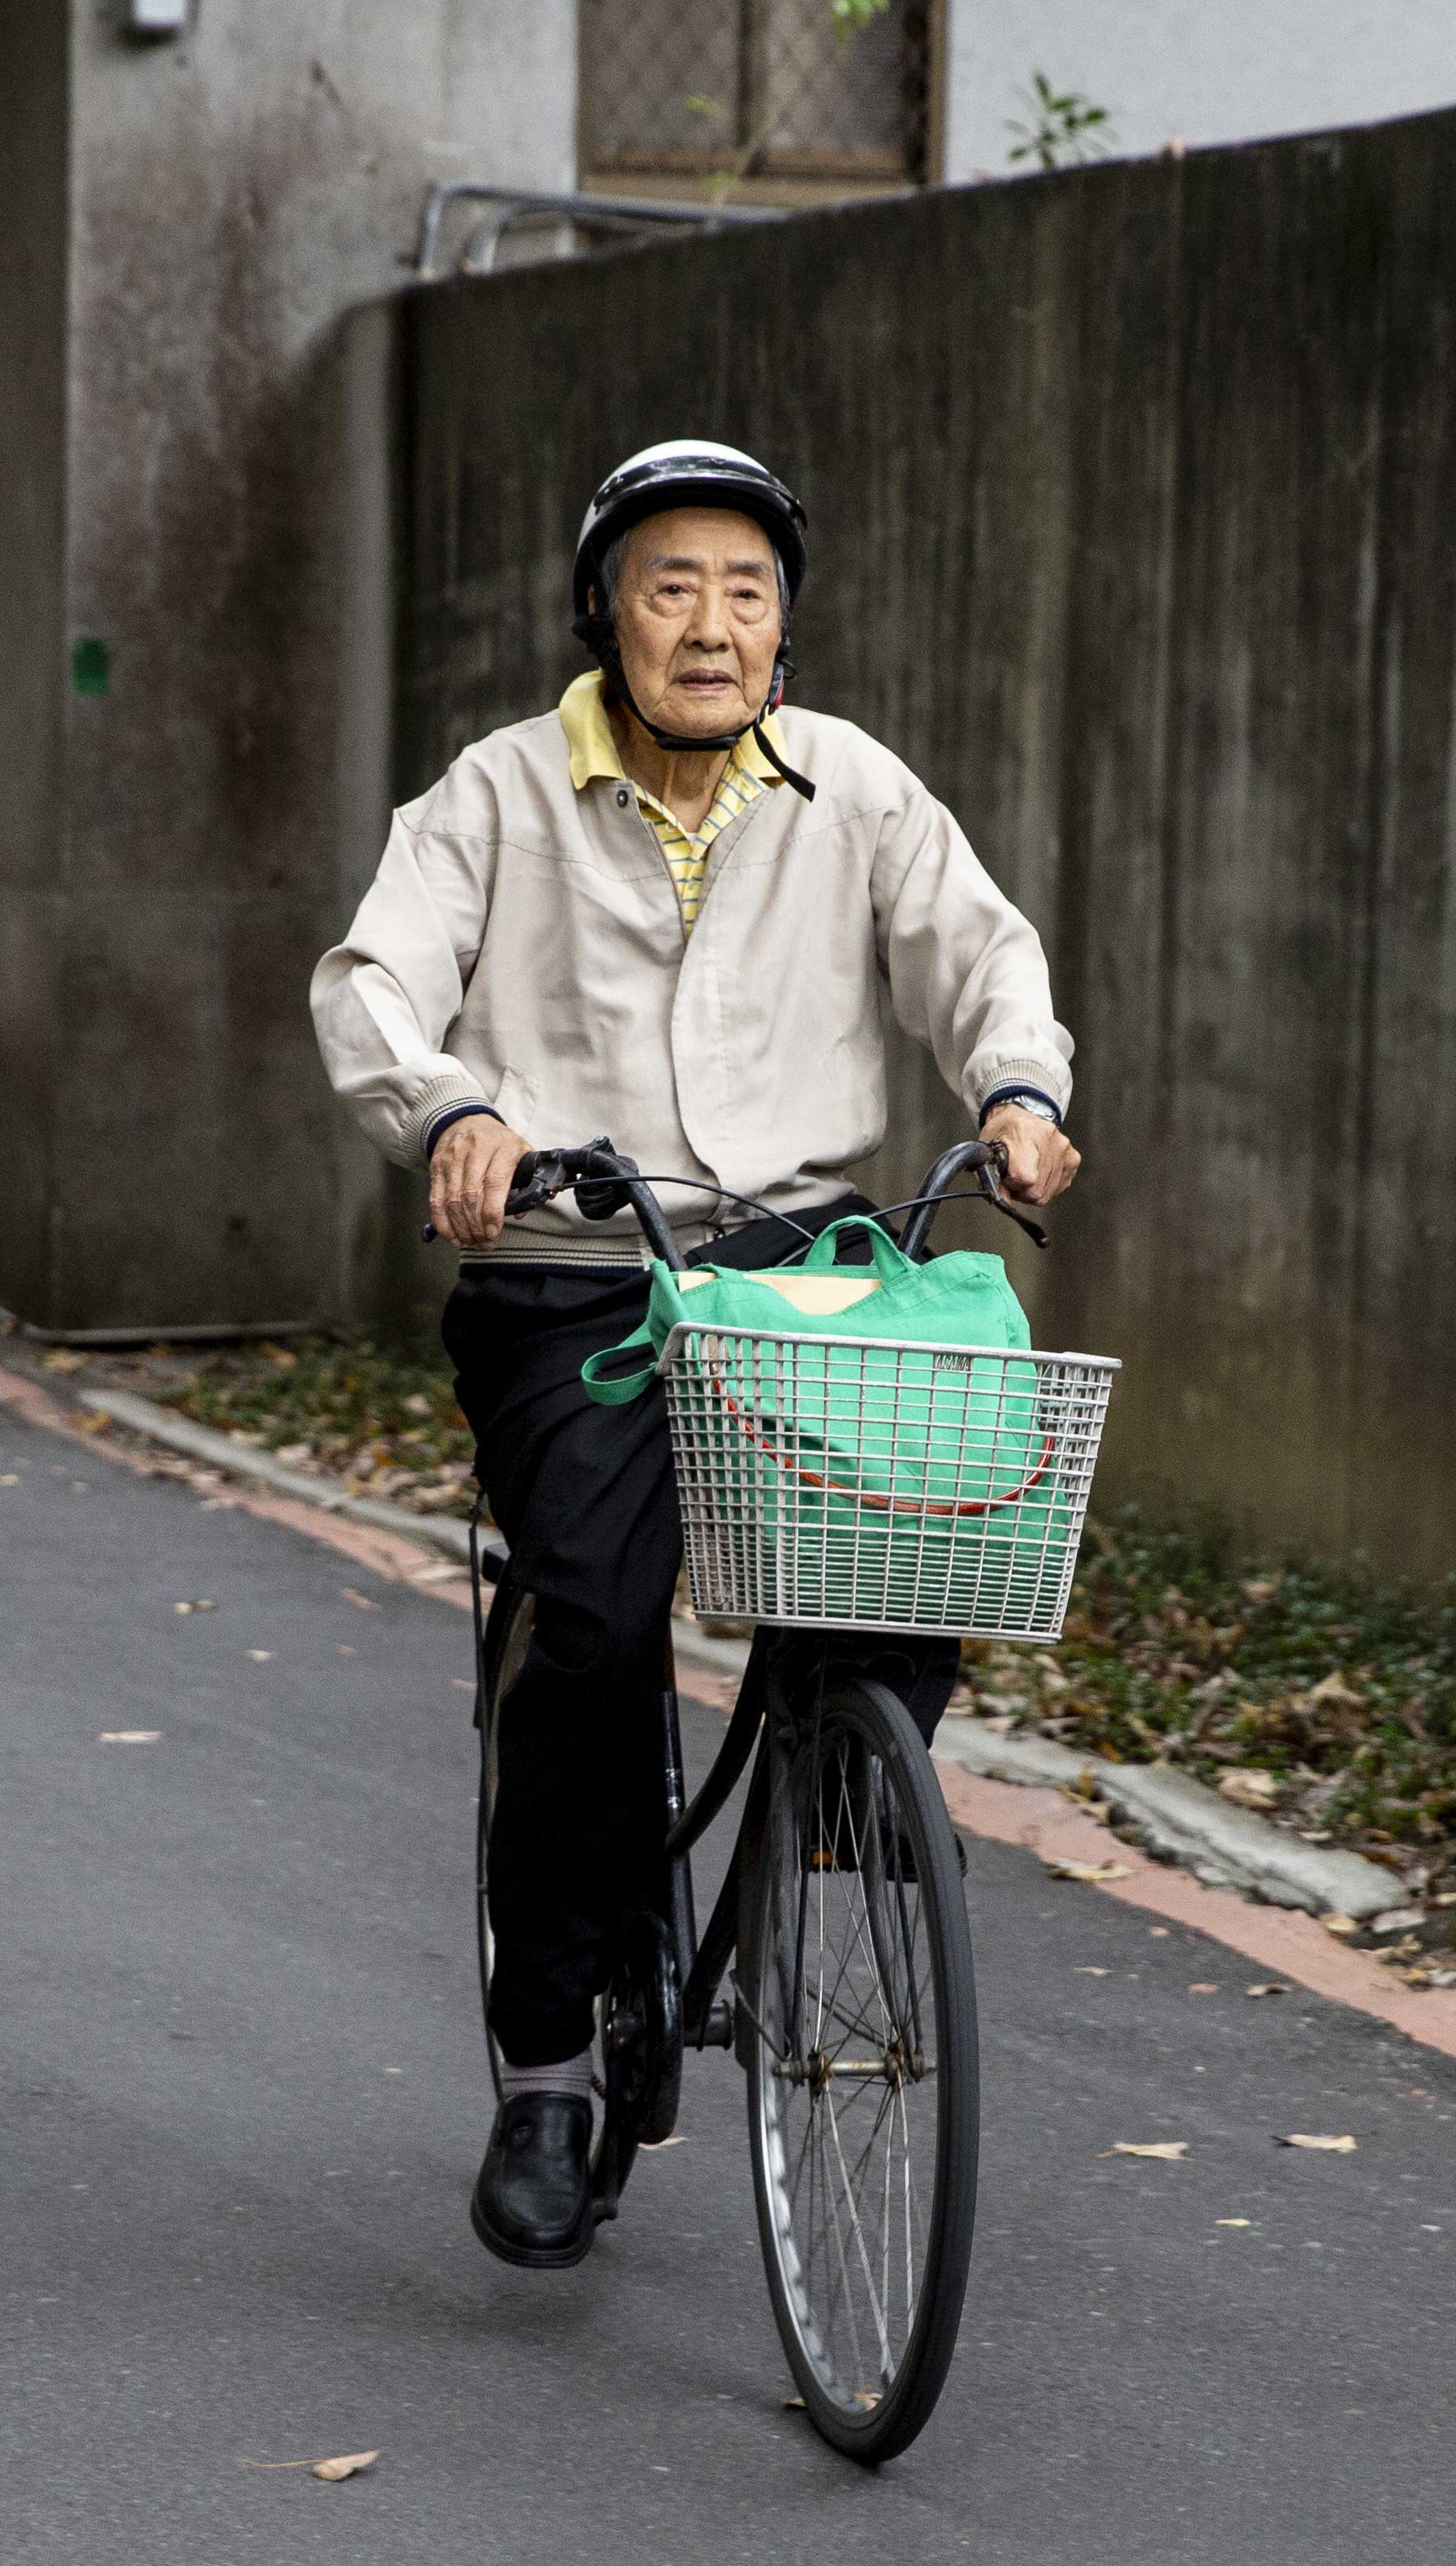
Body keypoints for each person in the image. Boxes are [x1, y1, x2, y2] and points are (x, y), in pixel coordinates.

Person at [309, 439, 1081, 2270]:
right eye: (670, 586)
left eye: (744, 592)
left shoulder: (854, 793)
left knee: (942, 1477)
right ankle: (551, 2061)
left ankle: (845, 1775)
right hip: (576, 1267)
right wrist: (449, 1116)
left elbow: (978, 954)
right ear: (605, 611)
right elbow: (372, 980)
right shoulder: (495, 795)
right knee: (588, 1620)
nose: (710, 626)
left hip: (797, 1267)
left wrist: (1021, 1085)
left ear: (784, 629)